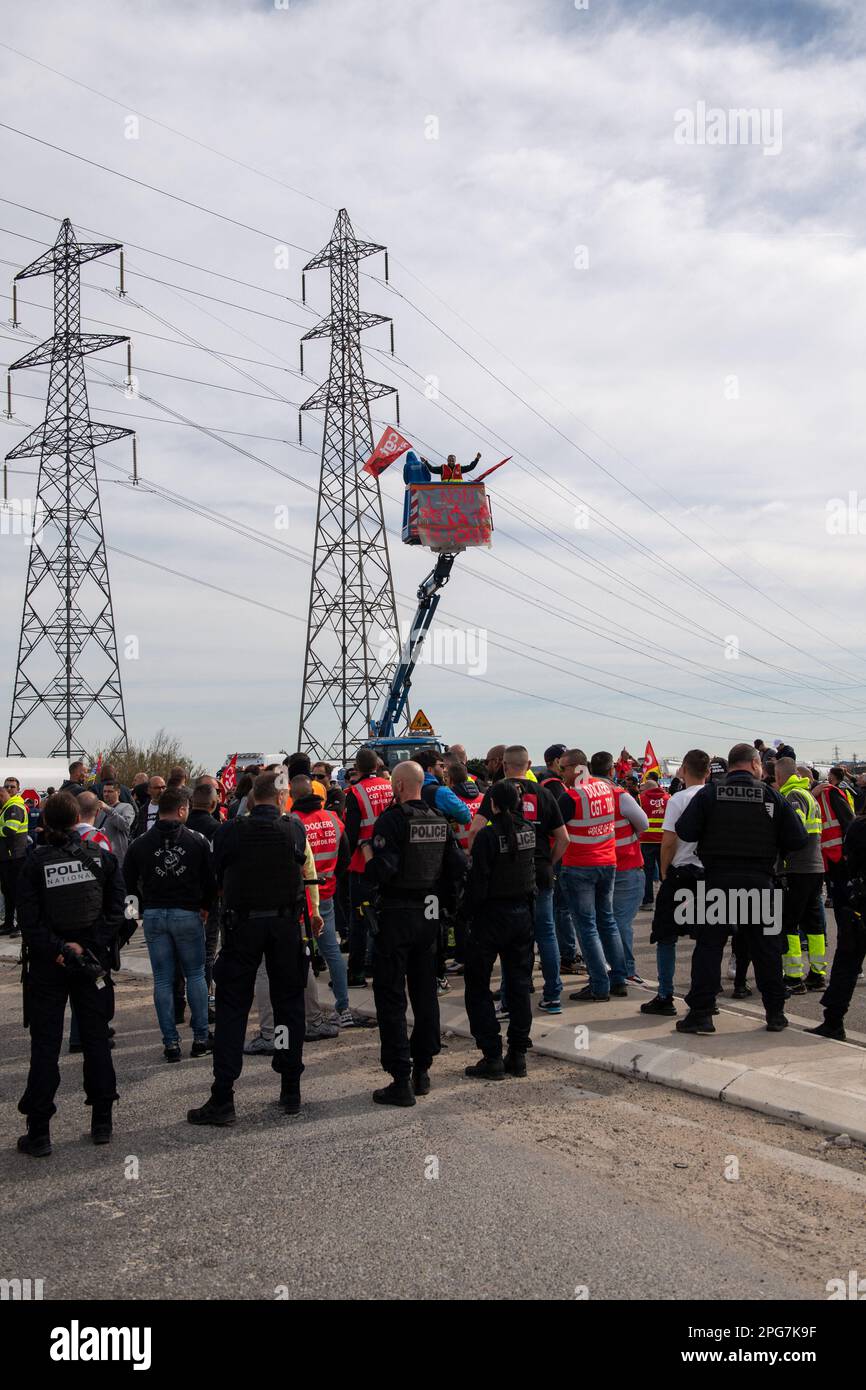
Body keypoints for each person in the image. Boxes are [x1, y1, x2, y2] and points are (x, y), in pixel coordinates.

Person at [188, 772, 310, 1124]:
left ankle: (223, 1095)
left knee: (232, 1010)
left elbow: (217, 872)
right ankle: (290, 1088)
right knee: (289, 1007)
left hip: (243, 927)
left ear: (252, 799)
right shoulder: (293, 828)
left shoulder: (230, 831)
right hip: (285, 927)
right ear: (283, 797)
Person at [16, 792, 125, 1156]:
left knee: (46, 1045)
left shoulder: (34, 863)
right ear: (78, 817)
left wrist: (61, 950)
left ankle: (40, 1131)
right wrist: (85, 948)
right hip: (88, 961)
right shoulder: (103, 858)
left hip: (52, 963)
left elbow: (28, 923)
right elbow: (119, 912)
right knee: (95, 1040)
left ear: (44, 821)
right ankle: (102, 1123)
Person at [673, 742, 807, 1035]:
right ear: (755, 763)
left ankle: (701, 1014)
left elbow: (685, 831)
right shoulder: (771, 794)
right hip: (760, 883)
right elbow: (798, 839)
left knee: (709, 948)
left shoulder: (710, 794)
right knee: (767, 950)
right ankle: (775, 1014)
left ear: (731, 765)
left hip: (718, 883)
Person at [363, 760, 467, 1106]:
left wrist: (367, 855)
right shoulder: (440, 820)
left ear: (397, 786)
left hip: (397, 917)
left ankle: (400, 1077)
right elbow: (457, 868)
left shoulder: (392, 820)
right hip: (430, 916)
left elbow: (383, 871)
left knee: (391, 996)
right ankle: (423, 1068)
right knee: (425, 995)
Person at [469, 744, 568, 1014]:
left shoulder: (497, 792)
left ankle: (511, 998)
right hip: (541, 873)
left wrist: (478, 860)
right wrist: (549, 862)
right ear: (529, 764)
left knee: (511, 942)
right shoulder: (544, 793)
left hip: (507, 878)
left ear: (503, 765)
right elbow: (563, 838)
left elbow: (475, 830)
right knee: (546, 934)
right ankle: (553, 995)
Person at [123, 785, 216, 1062]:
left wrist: (134, 914)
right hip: (187, 914)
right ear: (182, 809)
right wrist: (205, 908)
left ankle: (171, 1044)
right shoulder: (196, 840)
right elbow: (211, 881)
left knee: (163, 979)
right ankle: (200, 1038)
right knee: (196, 975)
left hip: (154, 915)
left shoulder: (139, 843)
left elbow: (126, 882)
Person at [462, 780, 537, 1079]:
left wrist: (464, 914)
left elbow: (477, 883)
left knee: (478, 986)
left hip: (490, 917)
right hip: (522, 915)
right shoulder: (529, 830)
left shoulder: (488, 837)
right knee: (519, 986)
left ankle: (491, 1054)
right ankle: (517, 1055)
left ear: (492, 804)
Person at [640, 749, 709, 1017]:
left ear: (683, 770)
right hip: (708, 875)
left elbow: (668, 840)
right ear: (707, 772)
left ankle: (665, 994)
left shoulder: (678, 799)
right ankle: (703, 994)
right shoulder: (712, 797)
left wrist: (664, 870)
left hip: (681, 872)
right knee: (705, 940)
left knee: (666, 937)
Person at [557, 749, 628, 1002]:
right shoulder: (604, 788)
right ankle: (619, 979)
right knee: (607, 921)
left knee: (586, 927)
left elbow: (555, 832)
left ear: (577, 768)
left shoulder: (572, 796)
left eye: (563, 768)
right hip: (607, 862)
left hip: (579, 867)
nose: (560, 772)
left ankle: (599, 985)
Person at [809, 804, 866, 1040]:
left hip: (860, 904)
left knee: (847, 965)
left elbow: (848, 862)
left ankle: (833, 1020)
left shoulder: (859, 827)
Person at [593, 750, 649, 984]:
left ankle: (604, 966)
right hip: (626, 865)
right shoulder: (620, 795)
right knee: (619, 922)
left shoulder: (583, 795)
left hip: (595, 866)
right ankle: (625, 969)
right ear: (612, 770)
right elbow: (643, 824)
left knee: (600, 922)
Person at [774, 758, 826, 994]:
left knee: (789, 922)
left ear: (780, 775)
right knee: (813, 923)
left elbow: (793, 831)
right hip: (815, 866)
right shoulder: (808, 795)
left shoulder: (793, 795)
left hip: (797, 868)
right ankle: (817, 972)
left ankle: (793, 977)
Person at [343, 747, 394, 987]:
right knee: (386, 914)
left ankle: (356, 974)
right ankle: (381, 966)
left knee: (359, 920)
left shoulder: (354, 792)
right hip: (389, 862)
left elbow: (351, 833)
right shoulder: (390, 785)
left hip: (363, 862)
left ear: (357, 767)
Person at [813, 765, 855, 907]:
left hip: (840, 854)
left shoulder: (830, 793)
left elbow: (848, 821)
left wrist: (847, 851)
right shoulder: (816, 795)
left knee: (849, 900)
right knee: (840, 901)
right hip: (829, 855)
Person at [0, 778, 30, 938]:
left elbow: (10, 829)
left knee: (18, 892)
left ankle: (21, 924)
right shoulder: (5, 807)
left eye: (12, 786)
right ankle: (8, 923)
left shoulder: (15, 806)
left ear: (18, 789)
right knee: (8, 892)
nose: (9, 789)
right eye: (7, 786)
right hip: (7, 858)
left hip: (15, 857)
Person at [638, 774, 669, 910]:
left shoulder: (641, 799)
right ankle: (668, 901)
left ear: (648, 788)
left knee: (647, 872)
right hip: (664, 840)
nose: (641, 790)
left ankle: (648, 901)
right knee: (665, 872)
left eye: (643, 787)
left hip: (646, 841)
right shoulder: (668, 799)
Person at [95, 780, 135, 861]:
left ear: (118, 792)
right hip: (99, 856)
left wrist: (108, 809)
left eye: (110, 791)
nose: (106, 794)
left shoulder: (126, 807)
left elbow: (125, 825)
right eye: (104, 791)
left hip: (116, 858)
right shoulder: (100, 809)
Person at [131, 773, 167, 838]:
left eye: (163, 787)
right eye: (157, 788)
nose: (161, 791)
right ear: (148, 790)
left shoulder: (170, 809)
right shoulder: (143, 810)